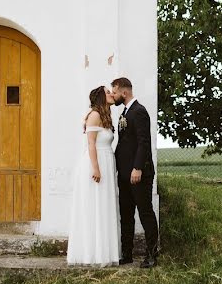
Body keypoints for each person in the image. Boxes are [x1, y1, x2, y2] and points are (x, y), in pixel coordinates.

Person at [66, 85, 121, 266]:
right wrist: (96, 168)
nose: (112, 94)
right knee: (94, 207)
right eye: (108, 92)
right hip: (95, 163)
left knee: (104, 207)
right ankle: (91, 254)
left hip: (106, 160)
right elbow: (91, 144)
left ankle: (104, 253)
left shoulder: (105, 115)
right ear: (100, 97)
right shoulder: (94, 115)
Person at [111, 77, 159, 268]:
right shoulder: (125, 112)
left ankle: (152, 255)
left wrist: (137, 168)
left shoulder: (139, 111)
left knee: (145, 212)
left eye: (114, 92)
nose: (113, 96)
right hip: (124, 175)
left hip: (138, 173)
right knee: (126, 213)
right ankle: (127, 254)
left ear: (124, 92)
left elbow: (144, 142)